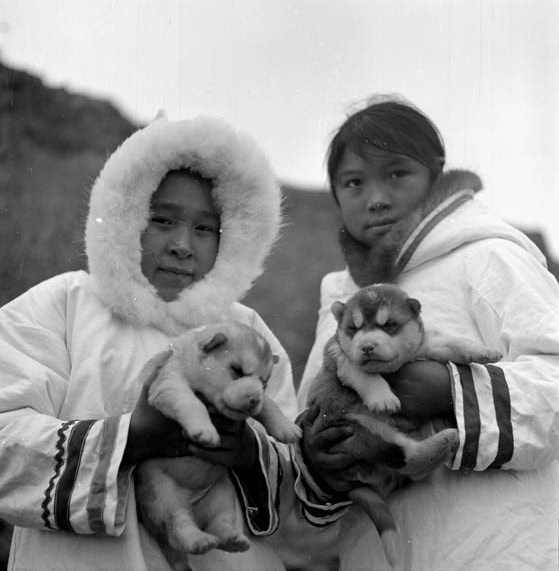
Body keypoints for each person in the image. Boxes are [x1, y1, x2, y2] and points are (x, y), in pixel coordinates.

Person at [0, 115, 300, 571]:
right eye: (162, 220)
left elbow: (290, 466)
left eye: (205, 228)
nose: (182, 245)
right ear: (124, 217)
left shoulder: (247, 330)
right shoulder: (62, 304)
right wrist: (128, 440)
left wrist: (243, 452)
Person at [294, 95, 559, 571]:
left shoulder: (489, 257)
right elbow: (313, 417)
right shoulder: (342, 302)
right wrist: (318, 457)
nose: (375, 198)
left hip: (505, 553)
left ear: (436, 173)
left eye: (396, 174)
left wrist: (449, 391)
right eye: (353, 182)